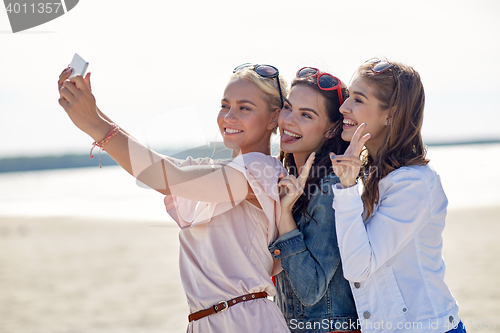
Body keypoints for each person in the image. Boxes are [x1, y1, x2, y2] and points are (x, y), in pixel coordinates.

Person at [57, 63, 292, 332]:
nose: (228, 116)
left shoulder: (259, 171)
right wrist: (89, 109)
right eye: (225, 105)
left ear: (274, 118)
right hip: (208, 321)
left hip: (245, 322)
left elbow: (166, 176)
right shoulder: (225, 172)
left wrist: (94, 124)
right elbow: (160, 165)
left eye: (244, 108)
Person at [329, 58, 466, 333]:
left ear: (390, 114)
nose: (343, 107)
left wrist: (346, 189)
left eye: (358, 99)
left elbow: (358, 268)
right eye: (347, 98)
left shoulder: (413, 184)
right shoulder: (367, 173)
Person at [268, 67, 360, 332]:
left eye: (306, 115)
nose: (289, 120)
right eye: (288, 108)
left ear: (332, 129)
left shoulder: (330, 188)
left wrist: (285, 217)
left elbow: (311, 289)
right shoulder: (287, 180)